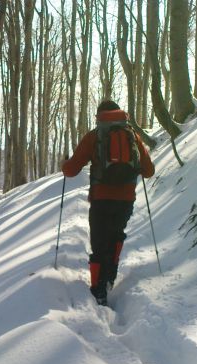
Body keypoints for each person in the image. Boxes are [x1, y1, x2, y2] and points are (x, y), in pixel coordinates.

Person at [61, 100, 155, 306]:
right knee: (115, 236)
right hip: (126, 199)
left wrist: (64, 163)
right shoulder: (133, 136)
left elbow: (71, 170)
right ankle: (110, 277)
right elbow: (149, 171)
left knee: (99, 242)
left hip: (101, 198)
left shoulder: (95, 136)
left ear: (99, 116)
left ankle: (98, 289)